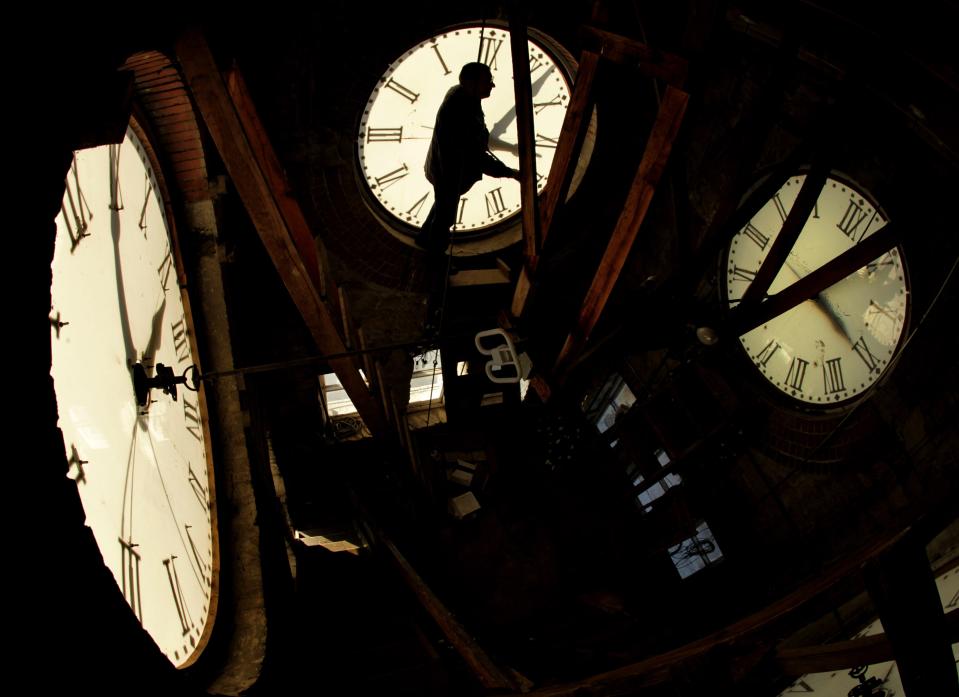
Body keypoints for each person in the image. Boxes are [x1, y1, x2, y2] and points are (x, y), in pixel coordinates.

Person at [416, 62, 520, 331]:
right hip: (450, 172)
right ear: (472, 83)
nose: (493, 85)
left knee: (441, 208)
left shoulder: (460, 96)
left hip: (442, 169)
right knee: (445, 216)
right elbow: (475, 155)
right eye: (488, 81)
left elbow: (476, 141)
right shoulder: (462, 109)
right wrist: (510, 173)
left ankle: (426, 240)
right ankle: (434, 261)